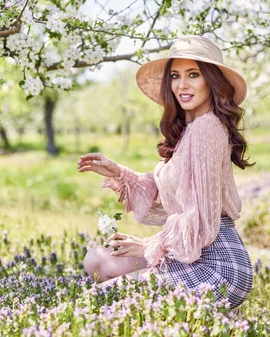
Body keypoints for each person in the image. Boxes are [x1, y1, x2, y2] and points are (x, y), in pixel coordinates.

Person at [77, 35, 255, 310]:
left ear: (212, 80)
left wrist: (150, 246)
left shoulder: (206, 129)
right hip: (192, 251)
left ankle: (208, 322)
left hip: (218, 266)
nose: (182, 85)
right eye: (175, 76)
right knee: (97, 261)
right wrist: (120, 172)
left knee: (99, 301)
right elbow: (171, 194)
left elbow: (201, 218)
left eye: (193, 75)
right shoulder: (192, 131)